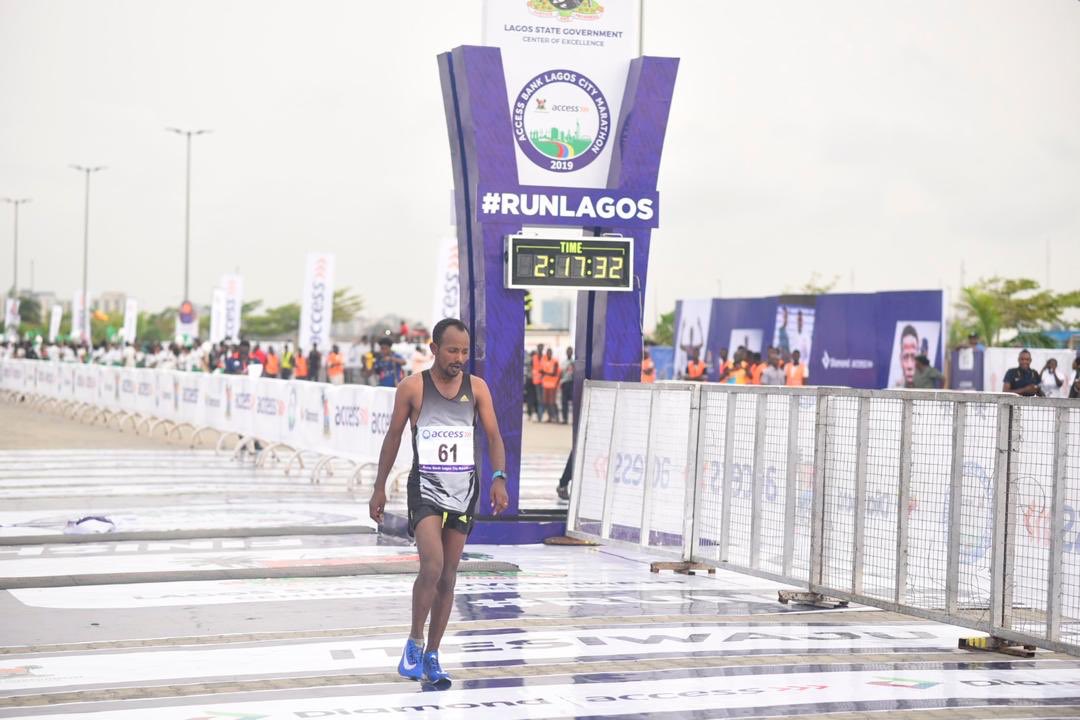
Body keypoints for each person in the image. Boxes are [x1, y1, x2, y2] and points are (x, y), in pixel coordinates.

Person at [368, 318, 509, 689]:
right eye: (452, 350)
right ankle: (415, 641)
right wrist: (379, 487)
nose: (459, 358)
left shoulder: (477, 389)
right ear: (434, 349)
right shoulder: (412, 388)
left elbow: (494, 436)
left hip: (464, 489)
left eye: (464, 351)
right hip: (426, 488)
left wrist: (499, 477)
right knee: (432, 565)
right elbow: (393, 438)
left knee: (449, 575)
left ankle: (433, 654)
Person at [541, 348, 560, 422]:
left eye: (550, 352)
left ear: (551, 353)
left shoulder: (555, 362)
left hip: (552, 385)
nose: (548, 354)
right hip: (545, 385)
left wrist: (544, 373)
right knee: (546, 402)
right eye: (547, 352)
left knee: (552, 402)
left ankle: (556, 417)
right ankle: (550, 417)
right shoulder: (544, 361)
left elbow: (554, 373)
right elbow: (541, 371)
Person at [559, 347, 574, 424]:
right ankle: (565, 419)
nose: (569, 352)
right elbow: (561, 374)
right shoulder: (563, 362)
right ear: (566, 352)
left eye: (570, 351)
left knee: (573, 402)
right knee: (564, 402)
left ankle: (575, 420)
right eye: (568, 351)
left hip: (572, 383)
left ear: (572, 352)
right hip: (564, 383)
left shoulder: (574, 362)